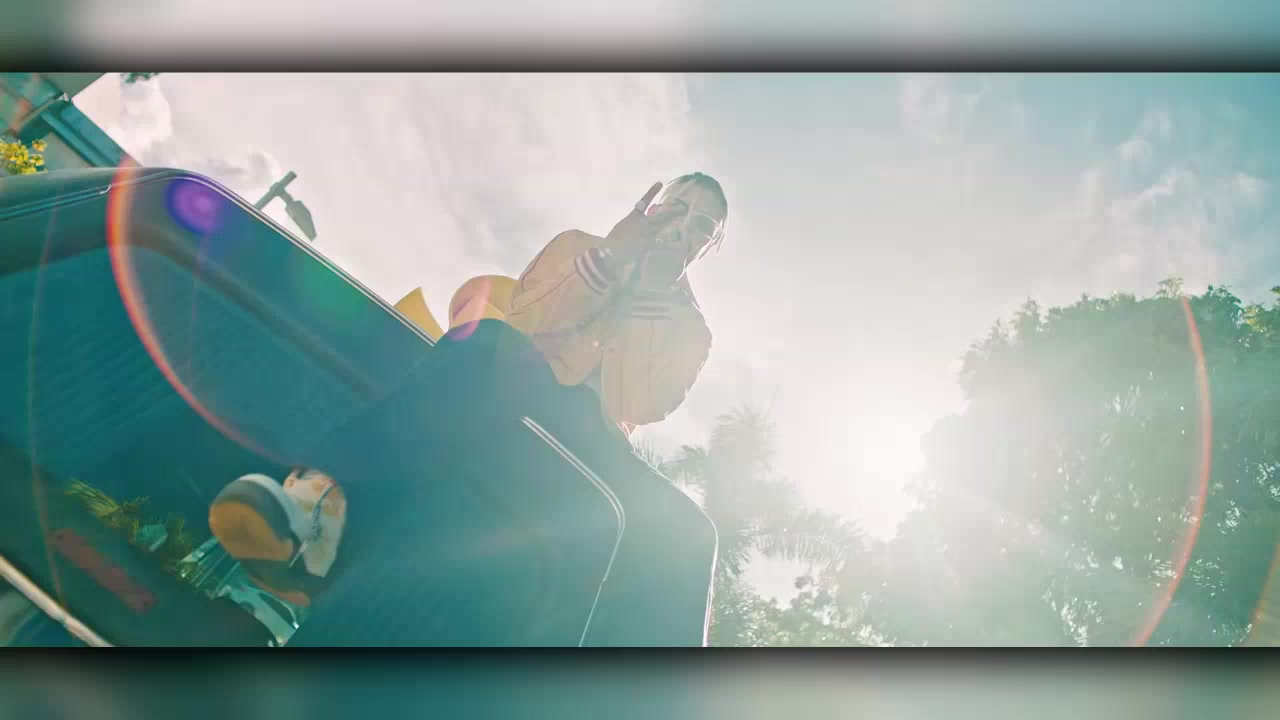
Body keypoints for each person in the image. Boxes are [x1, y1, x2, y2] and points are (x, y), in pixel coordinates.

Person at [208, 173, 727, 607]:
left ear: (710, 245)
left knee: (674, 531)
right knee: (485, 341)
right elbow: (524, 320)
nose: (685, 224)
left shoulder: (693, 332)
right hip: (509, 405)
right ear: (654, 205)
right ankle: (313, 513)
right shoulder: (580, 247)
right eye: (678, 206)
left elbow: (639, 404)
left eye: (703, 224)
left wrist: (652, 295)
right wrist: (610, 261)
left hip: (584, 450)